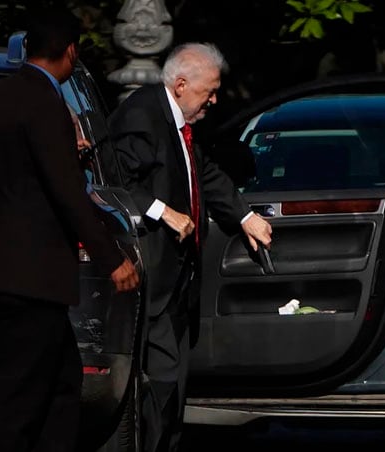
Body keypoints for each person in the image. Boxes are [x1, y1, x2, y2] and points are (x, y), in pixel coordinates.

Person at [0, 8, 139, 452]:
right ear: (70, 51)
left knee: (61, 376)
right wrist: (112, 259)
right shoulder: (46, 101)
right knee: (17, 394)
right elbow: (66, 193)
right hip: (30, 271)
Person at [107, 42, 273, 452]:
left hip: (179, 279)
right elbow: (115, 181)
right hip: (153, 272)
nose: (214, 100)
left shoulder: (179, 123)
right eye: (209, 91)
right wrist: (165, 211)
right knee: (161, 383)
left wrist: (246, 216)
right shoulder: (142, 115)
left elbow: (204, 172)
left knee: (174, 384)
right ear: (181, 85)